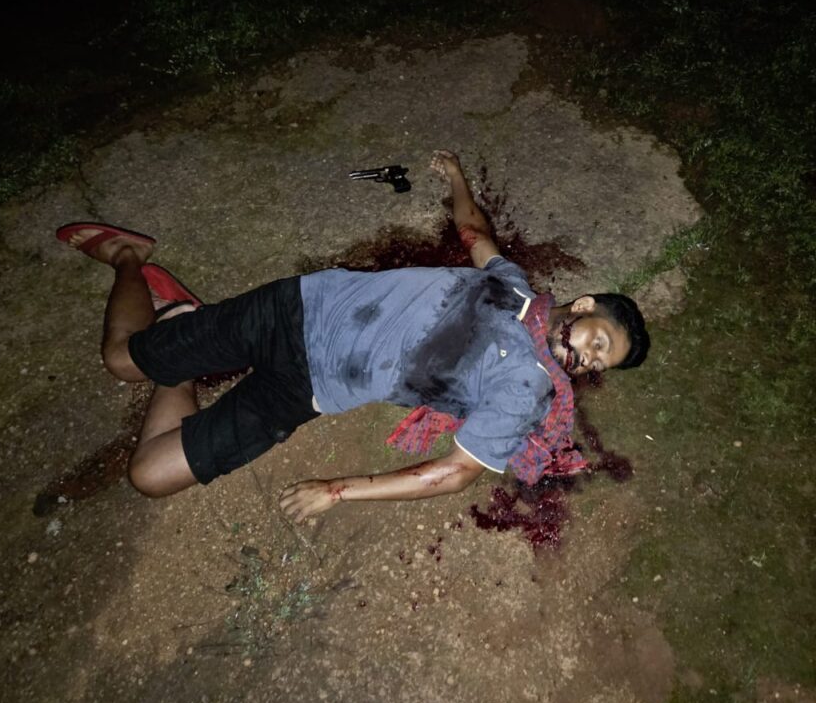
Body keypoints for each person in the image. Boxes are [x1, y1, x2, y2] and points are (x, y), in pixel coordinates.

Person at [57, 150, 648, 522]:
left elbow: (455, 473)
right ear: (583, 307)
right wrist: (456, 177)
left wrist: (337, 490)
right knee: (121, 361)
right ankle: (129, 257)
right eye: (599, 342)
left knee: (150, 475)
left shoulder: (528, 389)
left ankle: (179, 324)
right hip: (297, 310)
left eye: (600, 364)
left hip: (307, 390)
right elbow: (474, 232)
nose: (588, 360)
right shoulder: (513, 286)